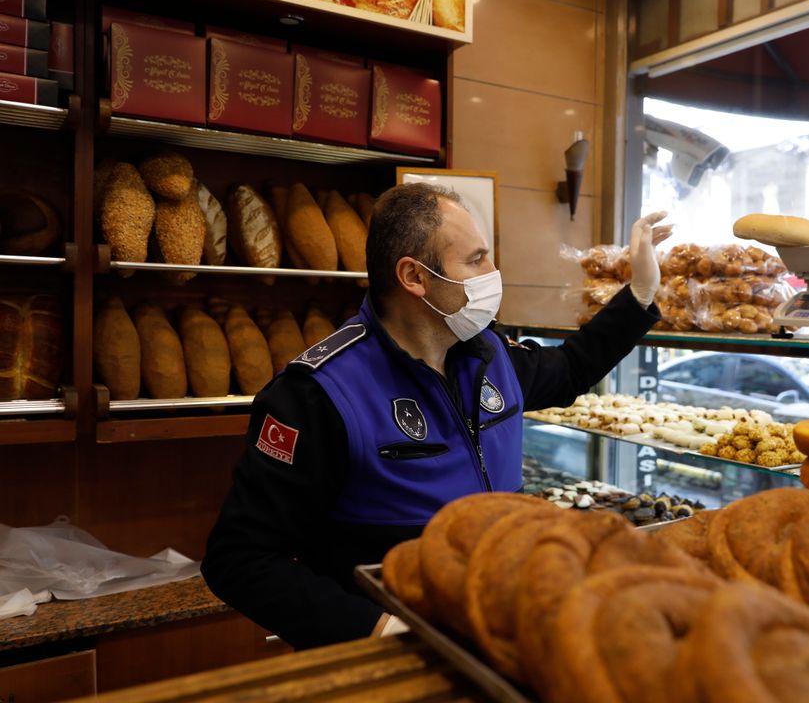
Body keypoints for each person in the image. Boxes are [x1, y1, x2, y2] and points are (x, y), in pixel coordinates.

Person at [202, 183, 671, 650]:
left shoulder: (490, 355)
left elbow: (570, 369)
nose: (494, 273)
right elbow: (240, 560)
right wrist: (381, 630)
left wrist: (639, 293)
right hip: (395, 655)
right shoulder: (318, 394)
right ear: (414, 276)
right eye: (476, 260)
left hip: (499, 629)